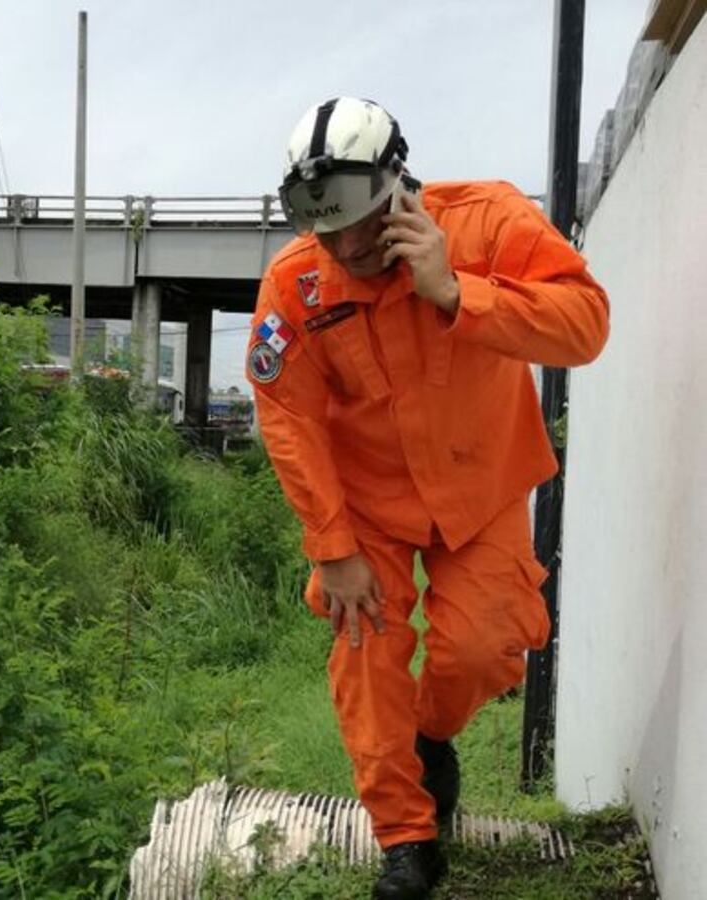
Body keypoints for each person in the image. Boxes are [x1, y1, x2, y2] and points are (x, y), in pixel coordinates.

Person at [248, 97, 609, 899]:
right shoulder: (296, 287)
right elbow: (289, 419)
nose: (344, 247)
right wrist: (332, 549)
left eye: (360, 224)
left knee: (482, 650)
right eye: (325, 230)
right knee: (368, 659)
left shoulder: (487, 223)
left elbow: (585, 326)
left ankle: (432, 734)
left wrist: (456, 291)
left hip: (480, 492)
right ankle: (407, 841)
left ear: (397, 184)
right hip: (366, 512)